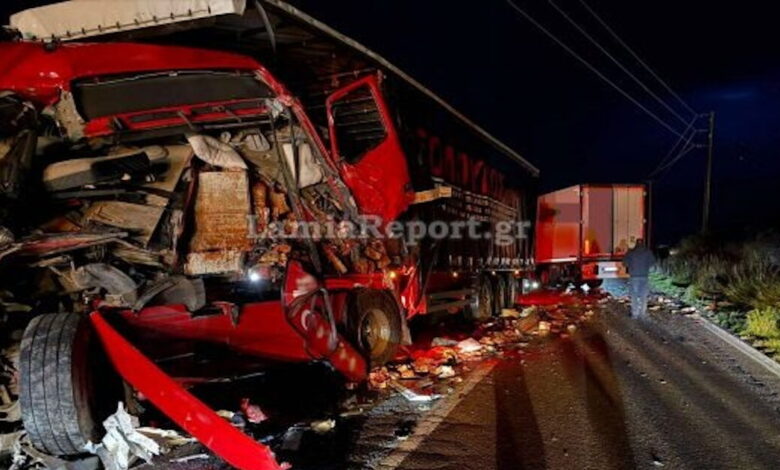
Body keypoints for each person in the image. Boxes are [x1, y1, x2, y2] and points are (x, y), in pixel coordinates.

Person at [623, 239, 656, 319]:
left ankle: (635, 314)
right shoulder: (648, 252)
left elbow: (625, 263)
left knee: (634, 295)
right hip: (644, 276)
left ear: (636, 244)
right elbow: (652, 263)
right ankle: (643, 313)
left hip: (634, 277)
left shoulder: (630, 252)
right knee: (643, 296)